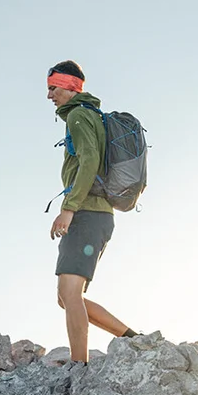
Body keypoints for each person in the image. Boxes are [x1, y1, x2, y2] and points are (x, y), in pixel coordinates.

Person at [46, 60, 139, 364]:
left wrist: (69, 209)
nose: (50, 96)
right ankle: (132, 339)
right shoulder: (90, 115)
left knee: (70, 292)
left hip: (87, 213)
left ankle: (78, 367)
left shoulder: (78, 116)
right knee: (67, 296)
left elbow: (89, 160)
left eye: (53, 88)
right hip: (98, 215)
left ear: (70, 86)